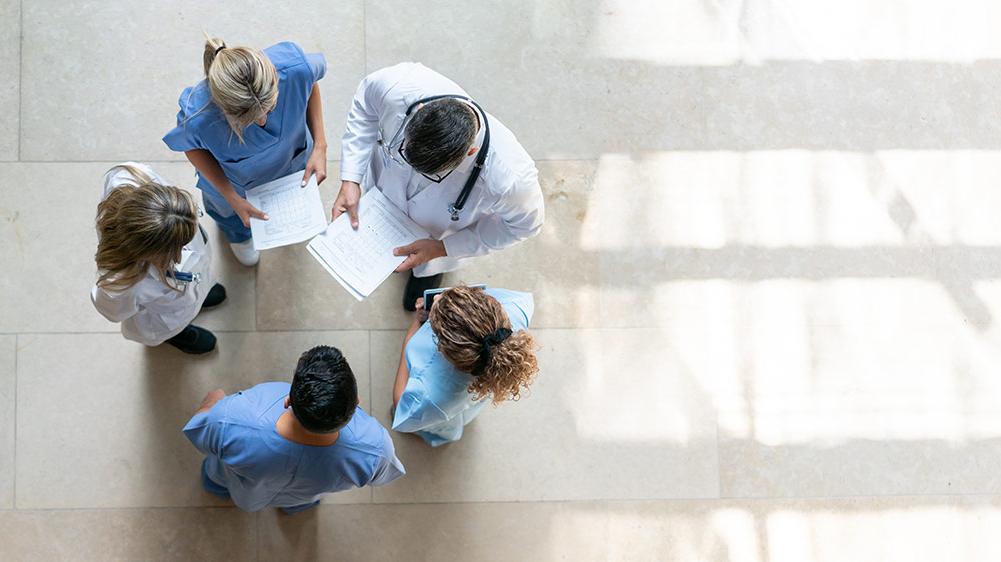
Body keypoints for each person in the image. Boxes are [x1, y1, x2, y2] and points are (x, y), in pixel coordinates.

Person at [332, 63, 546, 310]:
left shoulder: (511, 179)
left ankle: (425, 275)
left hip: (437, 236)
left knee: (425, 273)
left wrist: (443, 248)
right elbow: (364, 104)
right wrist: (351, 178)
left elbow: (525, 226)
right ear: (420, 111)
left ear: (471, 151)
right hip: (381, 199)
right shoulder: (399, 86)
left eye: (432, 174)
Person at [163, 36, 328, 267]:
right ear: (222, 109)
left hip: (292, 160)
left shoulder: (294, 67)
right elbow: (190, 146)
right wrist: (231, 197)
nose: (262, 121)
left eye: (270, 108)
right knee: (230, 216)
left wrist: (320, 145)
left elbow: (309, 84)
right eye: (248, 120)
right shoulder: (199, 116)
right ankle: (239, 237)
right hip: (233, 186)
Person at [183, 345, 406, 513]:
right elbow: (383, 476)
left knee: (219, 480)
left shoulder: (230, 420)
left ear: (288, 401)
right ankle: (292, 510)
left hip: (247, 493)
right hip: (302, 496)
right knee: (299, 503)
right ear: (356, 402)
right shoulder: (376, 449)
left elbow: (199, 435)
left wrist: (213, 402)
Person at [92, 162, 225, 354]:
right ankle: (178, 335)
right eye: (181, 247)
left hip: (192, 279)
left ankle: (200, 294)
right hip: (167, 316)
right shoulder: (120, 284)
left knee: (198, 282)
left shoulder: (130, 176)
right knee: (173, 323)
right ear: (156, 253)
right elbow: (114, 312)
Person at [392, 285, 538, 446]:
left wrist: (416, 326)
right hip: (474, 395)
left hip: (444, 410)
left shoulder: (432, 396)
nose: (436, 297)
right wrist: (453, 303)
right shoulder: (517, 306)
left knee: (438, 424)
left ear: (444, 350)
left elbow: (402, 406)